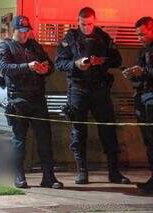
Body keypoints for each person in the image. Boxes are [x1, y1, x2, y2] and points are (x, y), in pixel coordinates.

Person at [55, 7, 130, 185]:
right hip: (78, 89)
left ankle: (114, 172)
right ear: (77, 21)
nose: (86, 27)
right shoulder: (70, 38)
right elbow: (59, 63)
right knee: (78, 131)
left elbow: (117, 60)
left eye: (89, 24)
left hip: (100, 89)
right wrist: (76, 64)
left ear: (94, 21)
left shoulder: (103, 37)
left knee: (108, 130)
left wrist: (102, 61)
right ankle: (82, 172)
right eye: (83, 24)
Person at [0, 15, 63, 189]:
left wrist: (45, 68)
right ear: (14, 30)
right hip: (18, 98)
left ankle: (49, 177)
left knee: (44, 139)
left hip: (37, 98)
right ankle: (19, 176)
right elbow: (5, 69)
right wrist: (28, 66)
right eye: (22, 31)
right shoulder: (5, 46)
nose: (26, 34)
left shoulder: (35, 46)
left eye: (28, 31)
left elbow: (50, 65)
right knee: (19, 140)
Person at [122, 16, 153, 193]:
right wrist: (133, 72)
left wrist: (145, 71)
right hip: (143, 98)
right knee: (149, 142)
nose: (139, 38)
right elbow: (141, 70)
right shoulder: (144, 50)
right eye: (137, 35)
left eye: (142, 34)